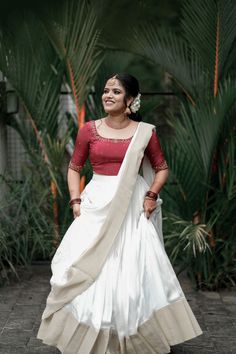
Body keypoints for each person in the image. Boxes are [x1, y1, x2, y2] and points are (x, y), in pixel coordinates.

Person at [37, 73, 202, 353]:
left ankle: (134, 333)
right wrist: (75, 201)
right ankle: (91, 333)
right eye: (105, 90)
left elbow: (161, 168)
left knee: (134, 268)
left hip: (132, 204)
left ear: (130, 100)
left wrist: (151, 195)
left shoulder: (145, 133)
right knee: (89, 264)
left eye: (115, 91)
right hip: (96, 203)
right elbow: (74, 168)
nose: (108, 95)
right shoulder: (88, 130)